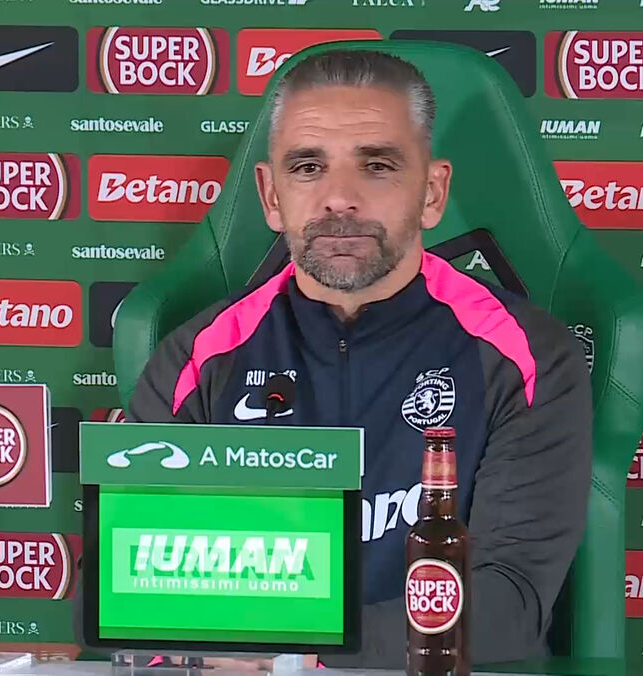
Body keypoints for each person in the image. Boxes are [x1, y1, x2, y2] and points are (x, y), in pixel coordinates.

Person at [127, 49, 593, 668]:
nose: (339, 199)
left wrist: (299, 650)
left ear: (431, 192)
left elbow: (509, 606)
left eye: (376, 166)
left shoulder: (525, 357)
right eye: (308, 167)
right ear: (271, 195)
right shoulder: (197, 359)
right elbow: (133, 594)